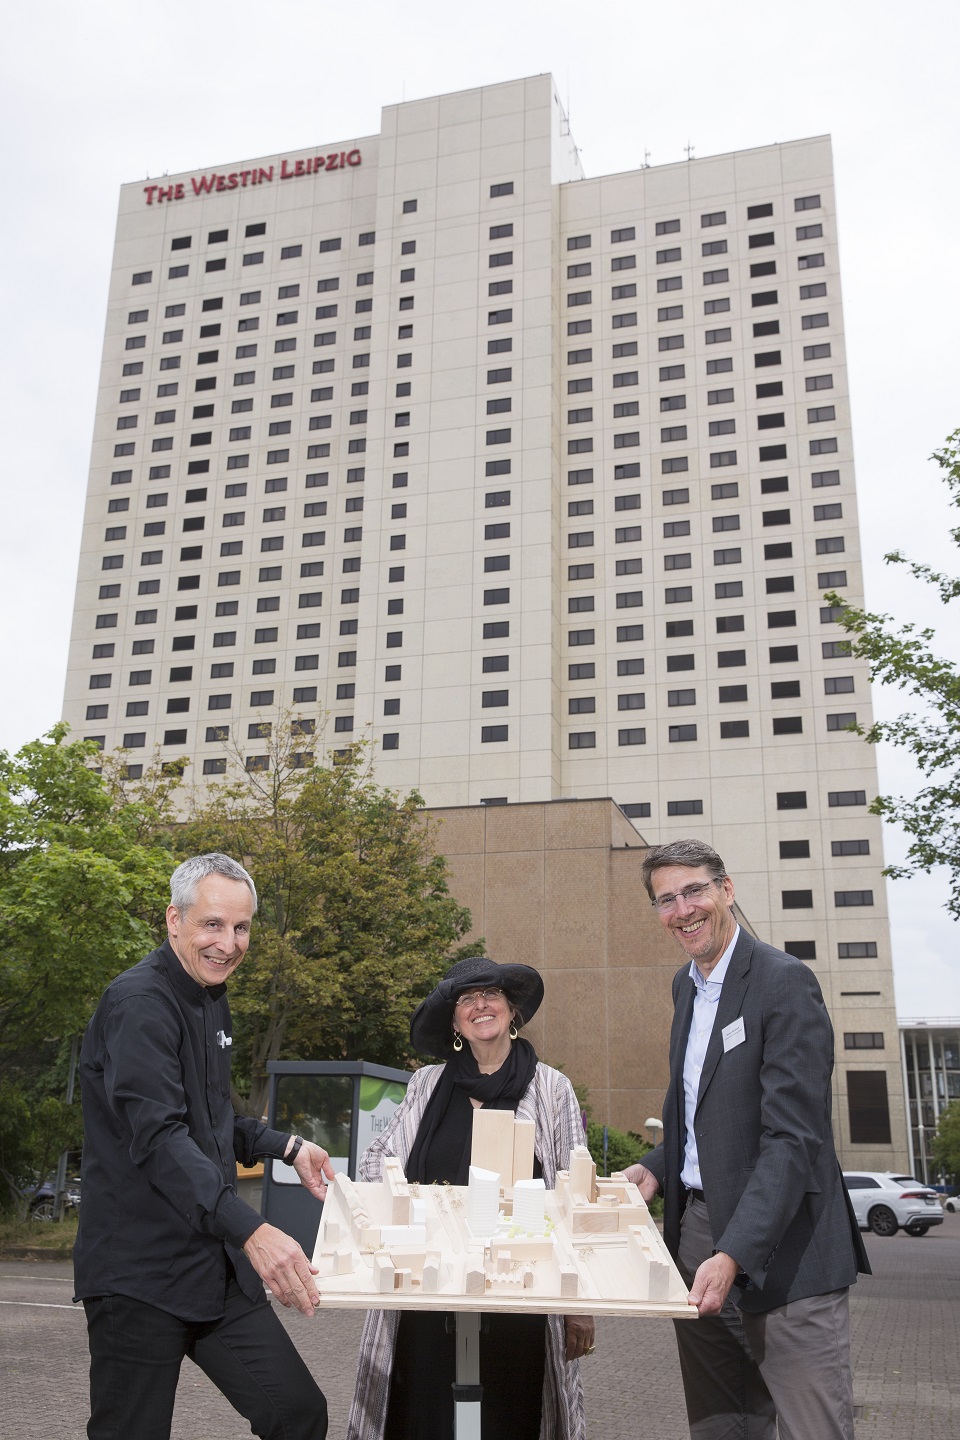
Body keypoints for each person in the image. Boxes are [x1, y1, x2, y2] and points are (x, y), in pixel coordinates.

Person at [73, 852, 335, 1440]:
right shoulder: (139, 1004)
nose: (229, 943)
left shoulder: (210, 996)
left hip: (210, 1270)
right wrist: (252, 1229)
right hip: (139, 1277)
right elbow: (162, 1138)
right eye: (212, 924)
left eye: (241, 927)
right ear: (174, 920)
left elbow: (212, 1118)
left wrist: (287, 1146)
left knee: (296, 1413)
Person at [625, 839, 870, 1440]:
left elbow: (792, 1136)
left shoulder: (784, 983)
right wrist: (658, 1163)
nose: (682, 910)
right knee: (723, 1425)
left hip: (784, 1249)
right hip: (697, 1242)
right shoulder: (686, 987)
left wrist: (735, 1253)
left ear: (726, 890)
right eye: (666, 900)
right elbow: (705, 1106)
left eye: (694, 891)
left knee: (813, 1428)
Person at [347, 956, 594, 1440]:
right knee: (425, 1414)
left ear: (512, 1011)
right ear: (455, 1020)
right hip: (428, 1292)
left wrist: (578, 1303)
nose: (481, 1004)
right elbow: (376, 1164)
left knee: (509, 1415)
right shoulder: (426, 1084)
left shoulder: (551, 1089)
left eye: (491, 994)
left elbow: (573, 1195)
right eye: (466, 999)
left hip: (518, 1294)